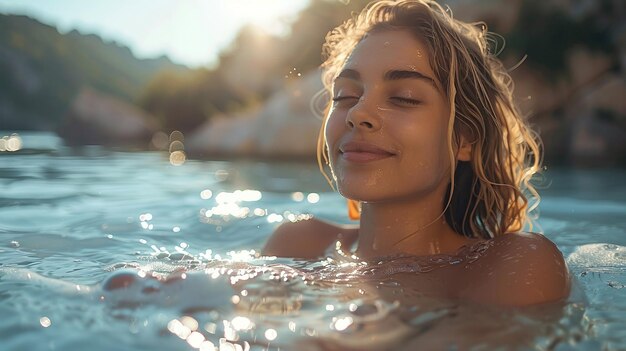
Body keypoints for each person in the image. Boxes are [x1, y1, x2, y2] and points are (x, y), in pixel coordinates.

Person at [263, 0, 570, 306]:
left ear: (464, 139)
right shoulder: (295, 245)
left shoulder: (513, 265)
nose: (358, 112)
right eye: (346, 95)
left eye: (403, 98)